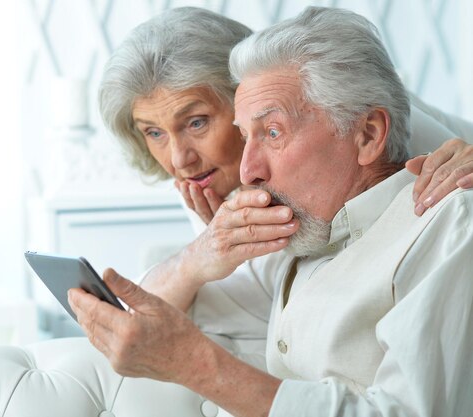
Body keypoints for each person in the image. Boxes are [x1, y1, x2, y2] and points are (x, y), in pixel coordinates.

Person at [70, 6, 473, 416]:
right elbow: (148, 323)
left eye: (196, 123)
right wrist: (198, 256)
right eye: (153, 133)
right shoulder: (236, 192)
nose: (179, 159)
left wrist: (199, 365)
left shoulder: (433, 195)